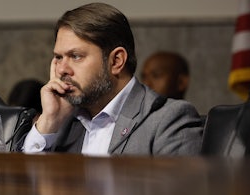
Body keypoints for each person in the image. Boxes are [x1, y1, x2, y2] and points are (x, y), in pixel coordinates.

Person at [21, 3, 202, 155]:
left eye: (75, 56)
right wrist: (49, 121)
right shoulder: (61, 122)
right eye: (59, 57)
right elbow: (23, 191)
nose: (61, 69)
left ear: (116, 61)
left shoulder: (169, 119)